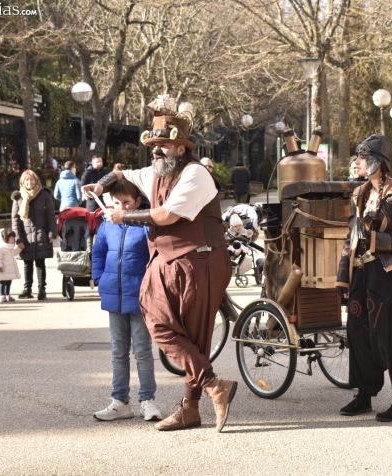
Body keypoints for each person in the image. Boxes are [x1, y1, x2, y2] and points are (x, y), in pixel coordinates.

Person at [82, 101, 236, 433]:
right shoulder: (156, 171)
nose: (156, 151)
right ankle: (213, 386)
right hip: (172, 260)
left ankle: (190, 409)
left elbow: (167, 216)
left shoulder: (196, 173)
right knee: (159, 322)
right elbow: (122, 173)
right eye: (153, 146)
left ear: (182, 148)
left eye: (163, 145)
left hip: (202, 260)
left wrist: (123, 216)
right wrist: (102, 184)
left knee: (194, 336)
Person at [336, 134, 392, 422]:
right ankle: (364, 394)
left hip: (391, 276)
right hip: (362, 274)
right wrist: (342, 279)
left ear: (377, 161)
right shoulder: (359, 193)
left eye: (361, 157)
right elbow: (350, 239)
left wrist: (377, 239)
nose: (356, 162)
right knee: (359, 334)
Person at [92, 180, 162, 422]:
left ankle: (147, 401)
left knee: (142, 350)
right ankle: (120, 402)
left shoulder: (144, 226)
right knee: (118, 351)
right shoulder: (106, 225)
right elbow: (99, 252)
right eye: (116, 202)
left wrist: (150, 286)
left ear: (137, 203)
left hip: (140, 296)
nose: (119, 206)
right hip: (114, 295)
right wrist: (99, 277)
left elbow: (156, 256)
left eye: (126, 202)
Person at [11, 170, 57, 300]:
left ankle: (42, 289)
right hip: (25, 235)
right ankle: (27, 289)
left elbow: (51, 216)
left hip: (41, 234)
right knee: (27, 263)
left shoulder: (44, 195)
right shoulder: (18, 197)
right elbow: (15, 220)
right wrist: (18, 238)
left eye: (32, 180)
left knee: (40, 263)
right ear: (22, 182)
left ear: (36, 181)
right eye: (27, 180)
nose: (29, 182)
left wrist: (52, 232)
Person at [0, 228, 21, 302]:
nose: (13, 240)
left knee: (8, 282)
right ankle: (2, 295)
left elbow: (14, 253)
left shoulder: (10, 248)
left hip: (9, 269)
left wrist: (19, 248)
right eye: (11, 238)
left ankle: (7, 294)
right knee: (2, 282)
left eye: (13, 238)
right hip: (3, 269)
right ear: (5, 239)